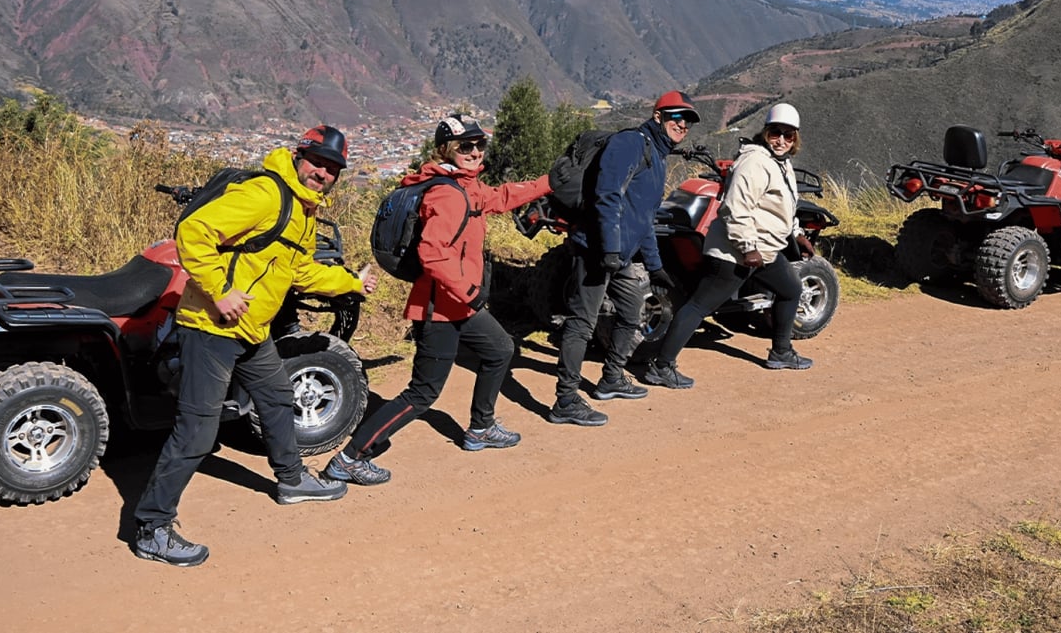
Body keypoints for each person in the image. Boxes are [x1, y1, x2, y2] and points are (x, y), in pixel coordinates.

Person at [134, 124, 380, 567]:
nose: (323, 173)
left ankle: (292, 481)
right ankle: (152, 527)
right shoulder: (268, 194)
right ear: (298, 156)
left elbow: (300, 272)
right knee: (197, 430)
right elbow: (193, 231)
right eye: (318, 162)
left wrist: (352, 283)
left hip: (249, 330)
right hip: (211, 326)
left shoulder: (302, 211)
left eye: (333, 169)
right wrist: (220, 290)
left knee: (277, 395)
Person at [321, 114, 550, 485]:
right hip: (439, 308)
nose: (475, 151)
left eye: (479, 145)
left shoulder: (465, 187)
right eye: (465, 146)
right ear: (445, 149)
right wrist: (470, 292)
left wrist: (547, 184)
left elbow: (500, 198)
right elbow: (432, 252)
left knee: (500, 349)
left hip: (458, 304)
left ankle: (481, 428)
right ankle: (350, 457)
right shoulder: (446, 193)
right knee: (423, 392)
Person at [645, 103, 815, 389]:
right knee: (698, 306)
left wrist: (796, 233)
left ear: (795, 138)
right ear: (765, 132)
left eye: (788, 135)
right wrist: (748, 247)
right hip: (735, 251)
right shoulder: (754, 162)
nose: (782, 140)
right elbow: (735, 209)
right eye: (776, 132)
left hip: (765, 250)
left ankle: (781, 352)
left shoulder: (780, 163)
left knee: (791, 288)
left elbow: (784, 206)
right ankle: (661, 367)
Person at [550, 91, 695, 426]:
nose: (683, 124)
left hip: (621, 256)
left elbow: (643, 219)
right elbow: (607, 195)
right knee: (582, 323)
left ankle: (611, 377)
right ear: (658, 116)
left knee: (632, 311)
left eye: (688, 120)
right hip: (596, 250)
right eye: (676, 117)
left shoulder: (658, 158)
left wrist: (655, 267)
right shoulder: (631, 143)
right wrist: (610, 249)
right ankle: (565, 400)